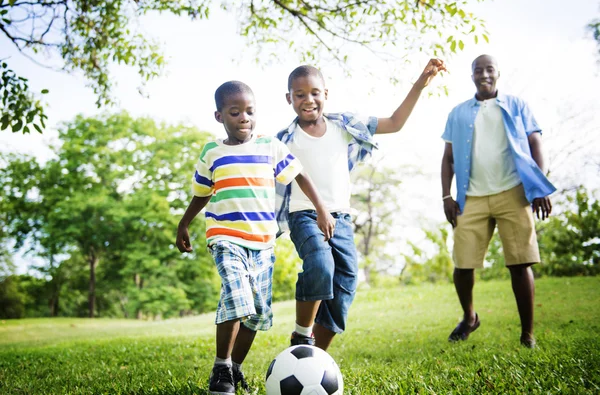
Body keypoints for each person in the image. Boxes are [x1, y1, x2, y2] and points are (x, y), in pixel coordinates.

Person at [176, 81, 335, 395]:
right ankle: (220, 369)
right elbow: (201, 194)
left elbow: (300, 174)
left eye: (250, 111)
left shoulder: (269, 146)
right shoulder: (212, 152)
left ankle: (234, 368)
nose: (244, 118)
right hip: (225, 238)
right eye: (235, 113)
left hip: (263, 243)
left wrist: (321, 209)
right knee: (238, 299)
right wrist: (184, 224)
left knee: (257, 312)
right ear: (219, 116)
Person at [276, 59, 446, 350]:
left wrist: (419, 85)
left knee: (345, 284)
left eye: (315, 92)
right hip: (303, 214)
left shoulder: (343, 126)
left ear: (326, 94)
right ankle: (302, 334)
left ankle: (313, 356)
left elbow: (395, 123)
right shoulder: (283, 141)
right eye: (300, 94)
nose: (308, 100)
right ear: (288, 98)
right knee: (320, 264)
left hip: (340, 218)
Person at [440, 54, 556, 348]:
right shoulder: (458, 113)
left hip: (513, 192)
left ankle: (527, 334)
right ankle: (469, 318)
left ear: (498, 73)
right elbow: (448, 158)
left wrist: (539, 187)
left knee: (521, 263)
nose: (484, 74)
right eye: (478, 70)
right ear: (472, 76)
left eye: (489, 69)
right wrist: (446, 196)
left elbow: (535, 144)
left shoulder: (517, 105)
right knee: (463, 264)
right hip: (472, 197)